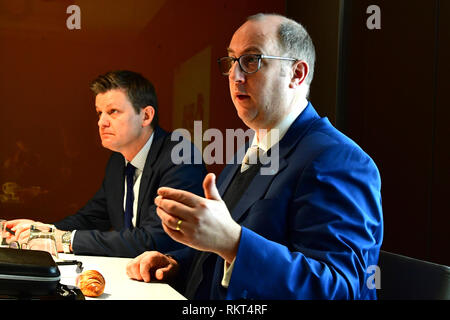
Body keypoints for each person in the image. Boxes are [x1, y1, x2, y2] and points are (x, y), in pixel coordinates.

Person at [126, 14, 383, 299]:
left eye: (251, 60)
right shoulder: (248, 149)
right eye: (231, 61)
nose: (235, 76)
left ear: (297, 74)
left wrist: (233, 243)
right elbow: (222, 256)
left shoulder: (339, 160)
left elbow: (342, 289)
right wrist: (177, 264)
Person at [6, 70, 207, 257]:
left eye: (113, 112)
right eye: (99, 112)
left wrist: (64, 240)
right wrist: (47, 230)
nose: (101, 122)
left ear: (146, 116)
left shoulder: (180, 156)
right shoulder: (117, 162)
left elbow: (156, 240)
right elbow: (92, 217)